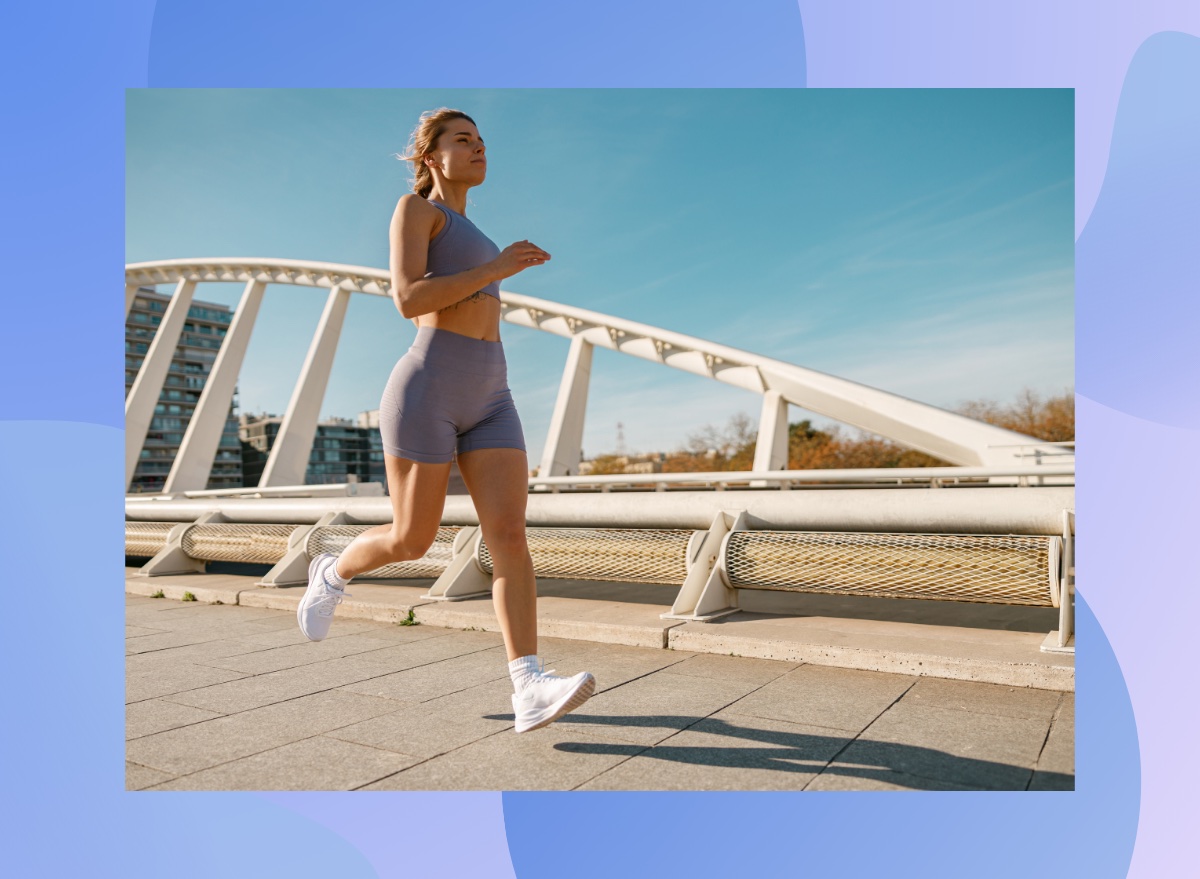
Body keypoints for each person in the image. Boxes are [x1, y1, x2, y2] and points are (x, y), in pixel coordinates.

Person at [295, 108, 595, 734]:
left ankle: (528, 685)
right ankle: (333, 568)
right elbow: (408, 300)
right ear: (430, 155)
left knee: (509, 536)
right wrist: (496, 269)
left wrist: (493, 264)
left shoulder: (476, 231)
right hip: (428, 387)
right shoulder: (417, 212)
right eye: (464, 140)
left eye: (484, 140)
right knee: (412, 539)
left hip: (492, 394)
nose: (480, 149)